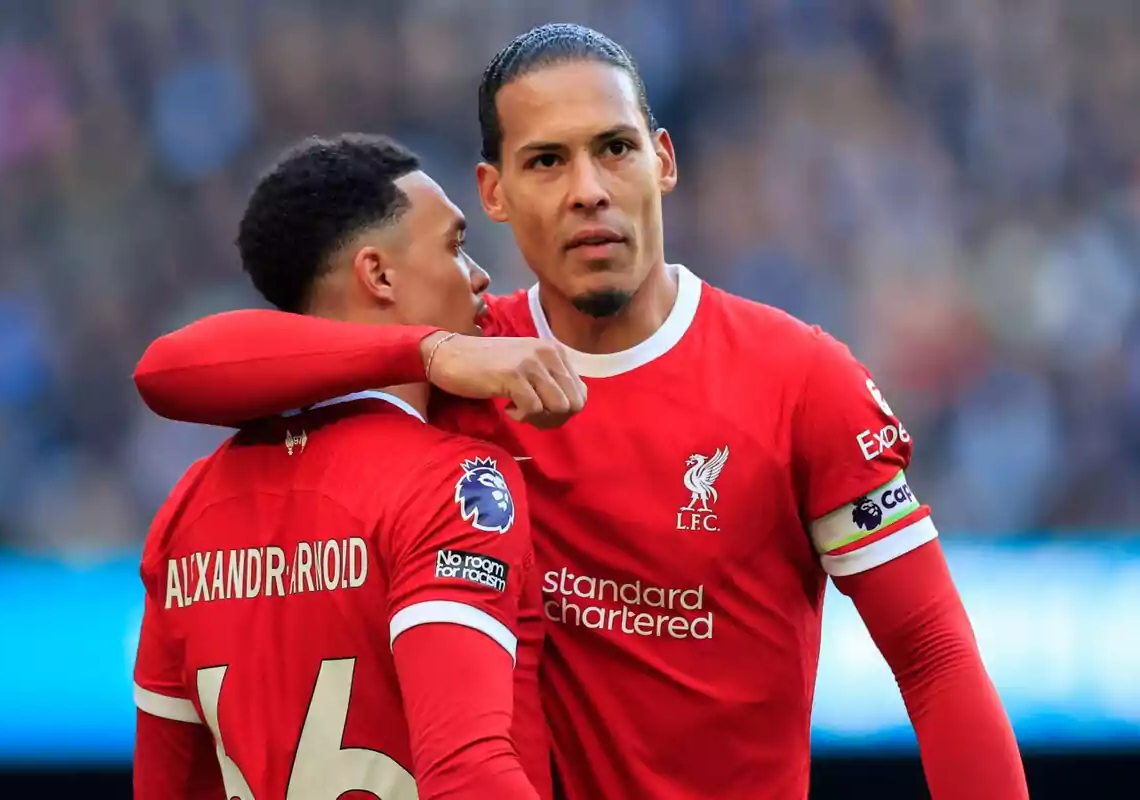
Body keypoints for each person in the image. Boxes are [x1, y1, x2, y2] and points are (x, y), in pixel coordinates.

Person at [132, 25, 1029, 800]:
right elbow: (176, 371)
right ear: (493, 193)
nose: (589, 188)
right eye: (547, 161)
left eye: (615, 148)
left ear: (663, 161)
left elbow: (934, 657)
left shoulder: (800, 380)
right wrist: (433, 352)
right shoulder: (470, 371)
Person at [131, 134, 549, 800]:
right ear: (378, 275)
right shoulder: (457, 483)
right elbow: (466, 773)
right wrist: (429, 352)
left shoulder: (187, 509)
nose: (479, 275)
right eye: (453, 245)